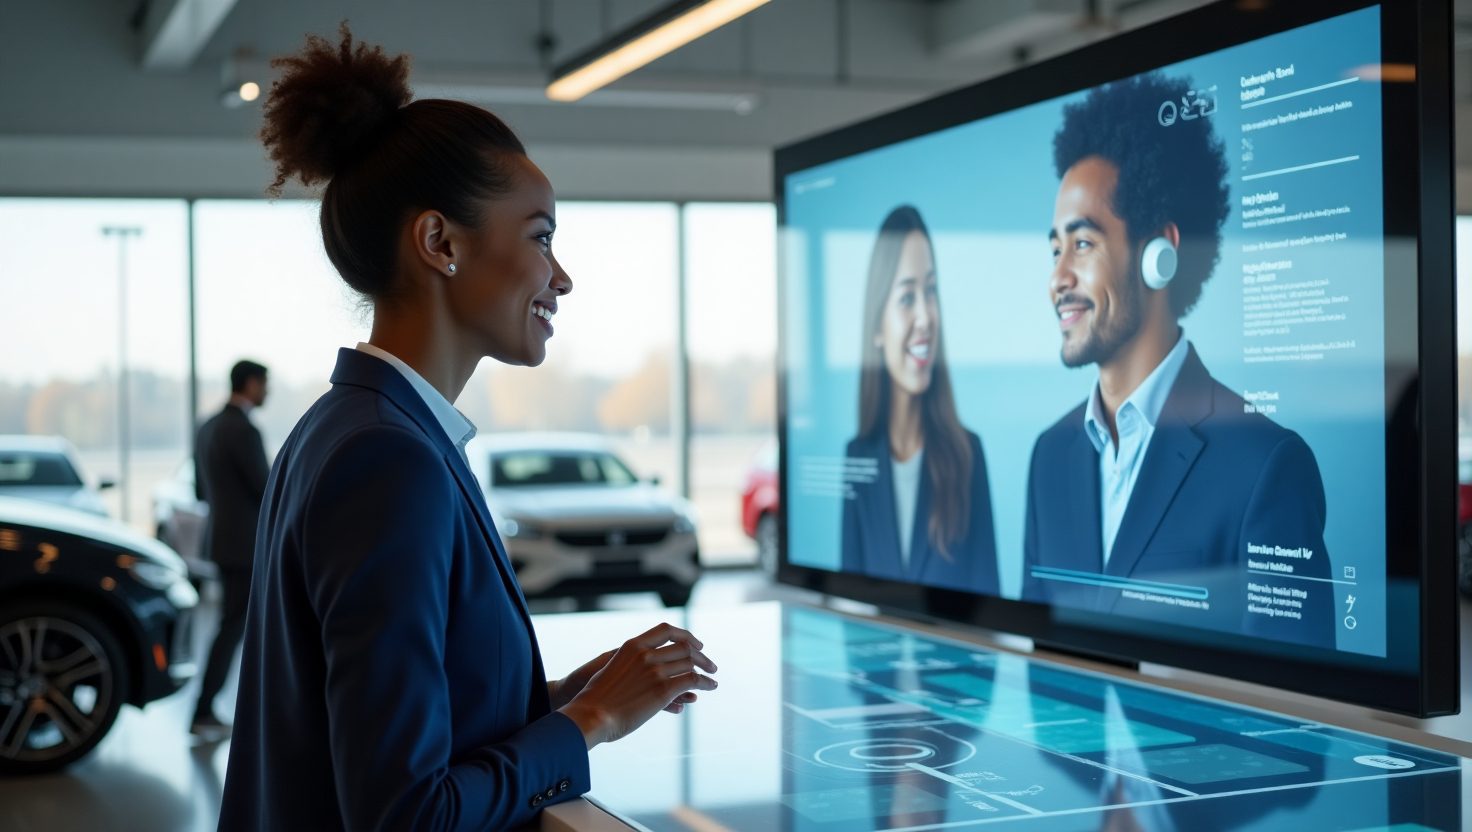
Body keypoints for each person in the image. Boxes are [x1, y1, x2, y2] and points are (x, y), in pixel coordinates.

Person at [218, 27, 718, 831]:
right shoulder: (388, 459)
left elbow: (404, 723)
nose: (562, 276)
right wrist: (591, 725)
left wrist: (564, 698)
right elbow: (407, 813)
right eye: (541, 235)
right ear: (440, 242)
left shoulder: (346, 426)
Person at [1021, 72, 1333, 648]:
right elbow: (1048, 676)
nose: (1057, 279)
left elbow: (1294, 710)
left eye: (1083, 244)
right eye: (1055, 248)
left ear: (1157, 251)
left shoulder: (1267, 465)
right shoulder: (1050, 457)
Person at [840, 205, 999, 595]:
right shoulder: (857, 457)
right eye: (907, 297)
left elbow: (989, 603)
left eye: (931, 292)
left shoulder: (968, 454)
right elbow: (848, 609)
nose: (926, 316)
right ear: (877, 327)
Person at [190, 359, 269, 739]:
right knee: (234, 628)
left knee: (232, 626)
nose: (266, 392)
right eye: (265, 384)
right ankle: (204, 710)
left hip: (220, 542)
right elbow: (266, 488)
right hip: (245, 546)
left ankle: (209, 708)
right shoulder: (243, 430)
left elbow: (199, 491)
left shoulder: (206, 427)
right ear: (251, 384)